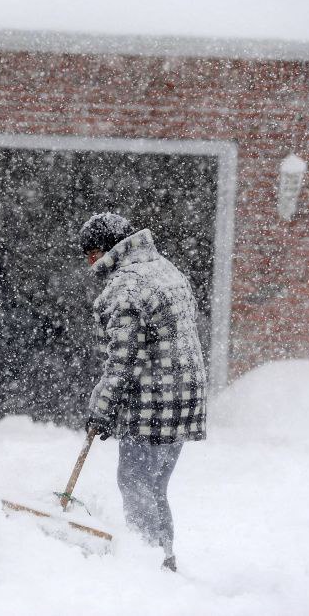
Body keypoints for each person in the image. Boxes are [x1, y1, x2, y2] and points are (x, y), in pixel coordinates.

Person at [79, 212, 207, 572]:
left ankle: (148, 566)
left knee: (135, 482)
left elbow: (123, 360)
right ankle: (164, 557)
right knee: (155, 486)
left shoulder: (125, 287)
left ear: (104, 249)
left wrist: (102, 409)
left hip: (153, 400)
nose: (90, 262)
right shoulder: (165, 269)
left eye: (90, 253)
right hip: (185, 396)